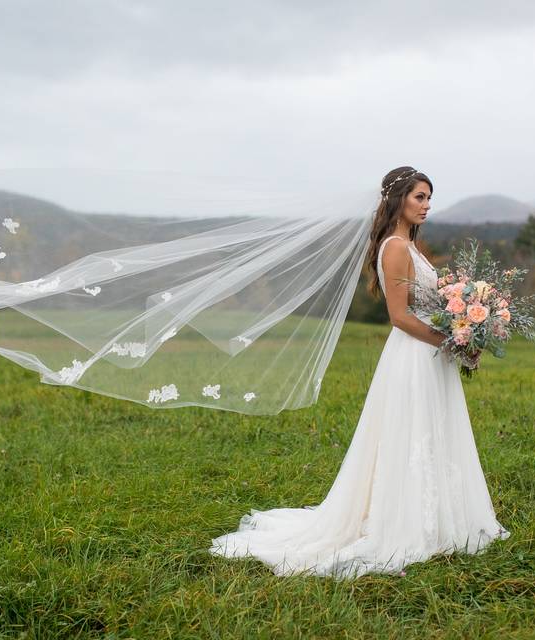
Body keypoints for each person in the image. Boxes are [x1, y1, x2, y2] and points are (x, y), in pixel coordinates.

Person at [207, 167, 511, 579]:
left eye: (429, 198)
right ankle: (404, 522)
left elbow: (427, 305)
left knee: (432, 431)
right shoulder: (396, 248)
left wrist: (462, 323)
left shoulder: (410, 245)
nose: (426, 205)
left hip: (428, 353)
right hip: (414, 354)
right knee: (410, 434)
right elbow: (400, 317)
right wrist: (451, 340)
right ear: (398, 199)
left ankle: (439, 517)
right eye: (419, 197)